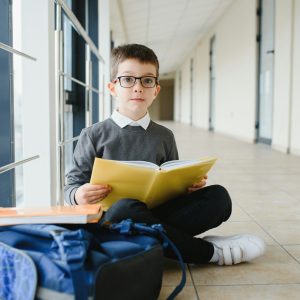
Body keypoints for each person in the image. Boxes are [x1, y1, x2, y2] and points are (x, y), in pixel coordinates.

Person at [64, 43, 265, 266]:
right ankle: (210, 252)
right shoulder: (93, 134)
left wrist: (187, 188)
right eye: (128, 79)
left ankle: (159, 241)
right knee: (126, 207)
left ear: (156, 90)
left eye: (147, 80)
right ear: (113, 88)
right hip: (115, 221)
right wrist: (78, 195)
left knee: (219, 197)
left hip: (157, 216)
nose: (138, 87)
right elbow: (71, 187)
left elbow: (171, 178)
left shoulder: (164, 135)